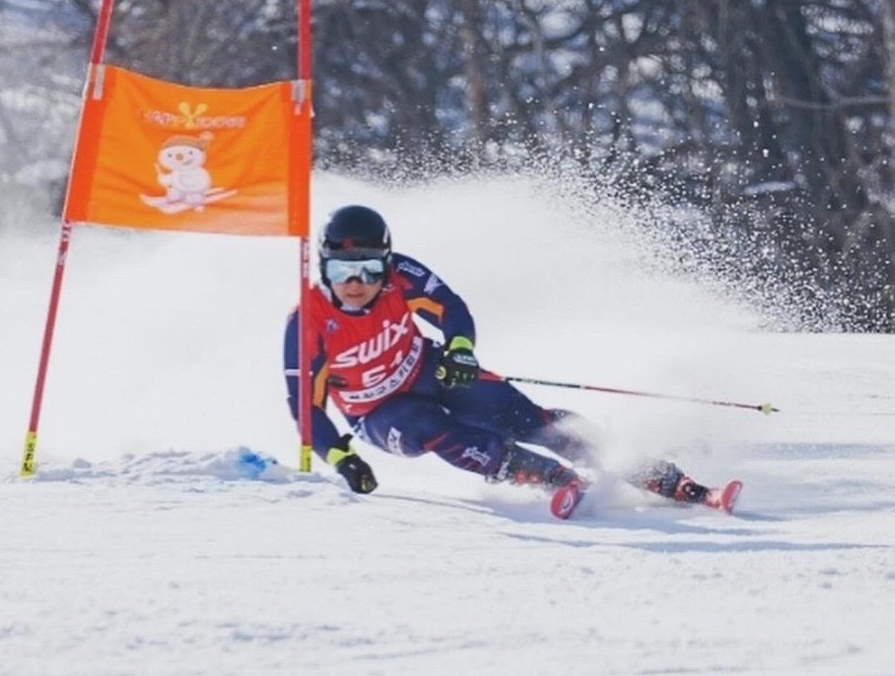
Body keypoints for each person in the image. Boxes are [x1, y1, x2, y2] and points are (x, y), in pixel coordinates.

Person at [283, 204, 739, 518]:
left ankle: (670, 480)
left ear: (386, 263)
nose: (357, 282)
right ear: (323, 267)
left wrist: (460, 348)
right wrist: (342, 458)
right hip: (379, 413)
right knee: (429, 427)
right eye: (342, 271)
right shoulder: (308, 323)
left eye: (370, 269)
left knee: (527, 418)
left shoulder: (401, 275)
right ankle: (552, 478)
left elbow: (451, 308)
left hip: (426, 369)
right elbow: (305, 408)